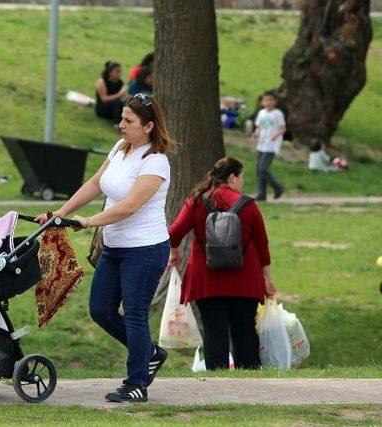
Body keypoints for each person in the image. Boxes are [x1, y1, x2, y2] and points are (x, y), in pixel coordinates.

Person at [36, 93, 176, 403]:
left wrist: (88, 221)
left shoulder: (156, 162)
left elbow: (129, 206)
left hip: (145, 249)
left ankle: (136, 383)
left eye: (129, 121)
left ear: (149, 126)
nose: (121, 125)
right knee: (100, 310)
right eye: (122, 118)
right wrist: (61, 213)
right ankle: (149, 353)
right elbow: (95, 184)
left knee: (136, 314)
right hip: (114, 247)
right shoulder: (121, 148)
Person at [168, 157, 277, 370]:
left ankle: (217, 384)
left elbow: (174, 232)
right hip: (245, 279)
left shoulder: (197, 201)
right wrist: (267, 278)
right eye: (242, 177)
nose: (242, 182)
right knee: (244, 329)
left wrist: (175, 252)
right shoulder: (248, 205)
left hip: (206, 279)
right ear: (232, 178)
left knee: (214, 330)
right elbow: (262, 244)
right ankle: (249, 380)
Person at [254, 91, 286, 201]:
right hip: (261, 145)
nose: (268, 102)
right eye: (266, 100)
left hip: (271, 146)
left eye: (271, 100)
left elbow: (282, 128)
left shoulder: (278, 114)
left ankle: (278, 188)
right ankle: (261, 194)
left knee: (263, 169)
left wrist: (274, 137)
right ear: (262, 102)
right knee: (259, 170)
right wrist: (257, 133)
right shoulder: (261, 113)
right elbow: (258, 126)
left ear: (275, 102)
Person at [95, 61, 128, 129]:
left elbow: (123, 95)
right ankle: (116, 125)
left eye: (119, 71)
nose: (119, 73)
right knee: (118, 103)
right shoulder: (102, 82)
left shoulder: (119, 82)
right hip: (102, 109)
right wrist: (119, 95)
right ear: (110, 72)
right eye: (116, 71)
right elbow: (104, 99)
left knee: (126, 103)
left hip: (114, 108)